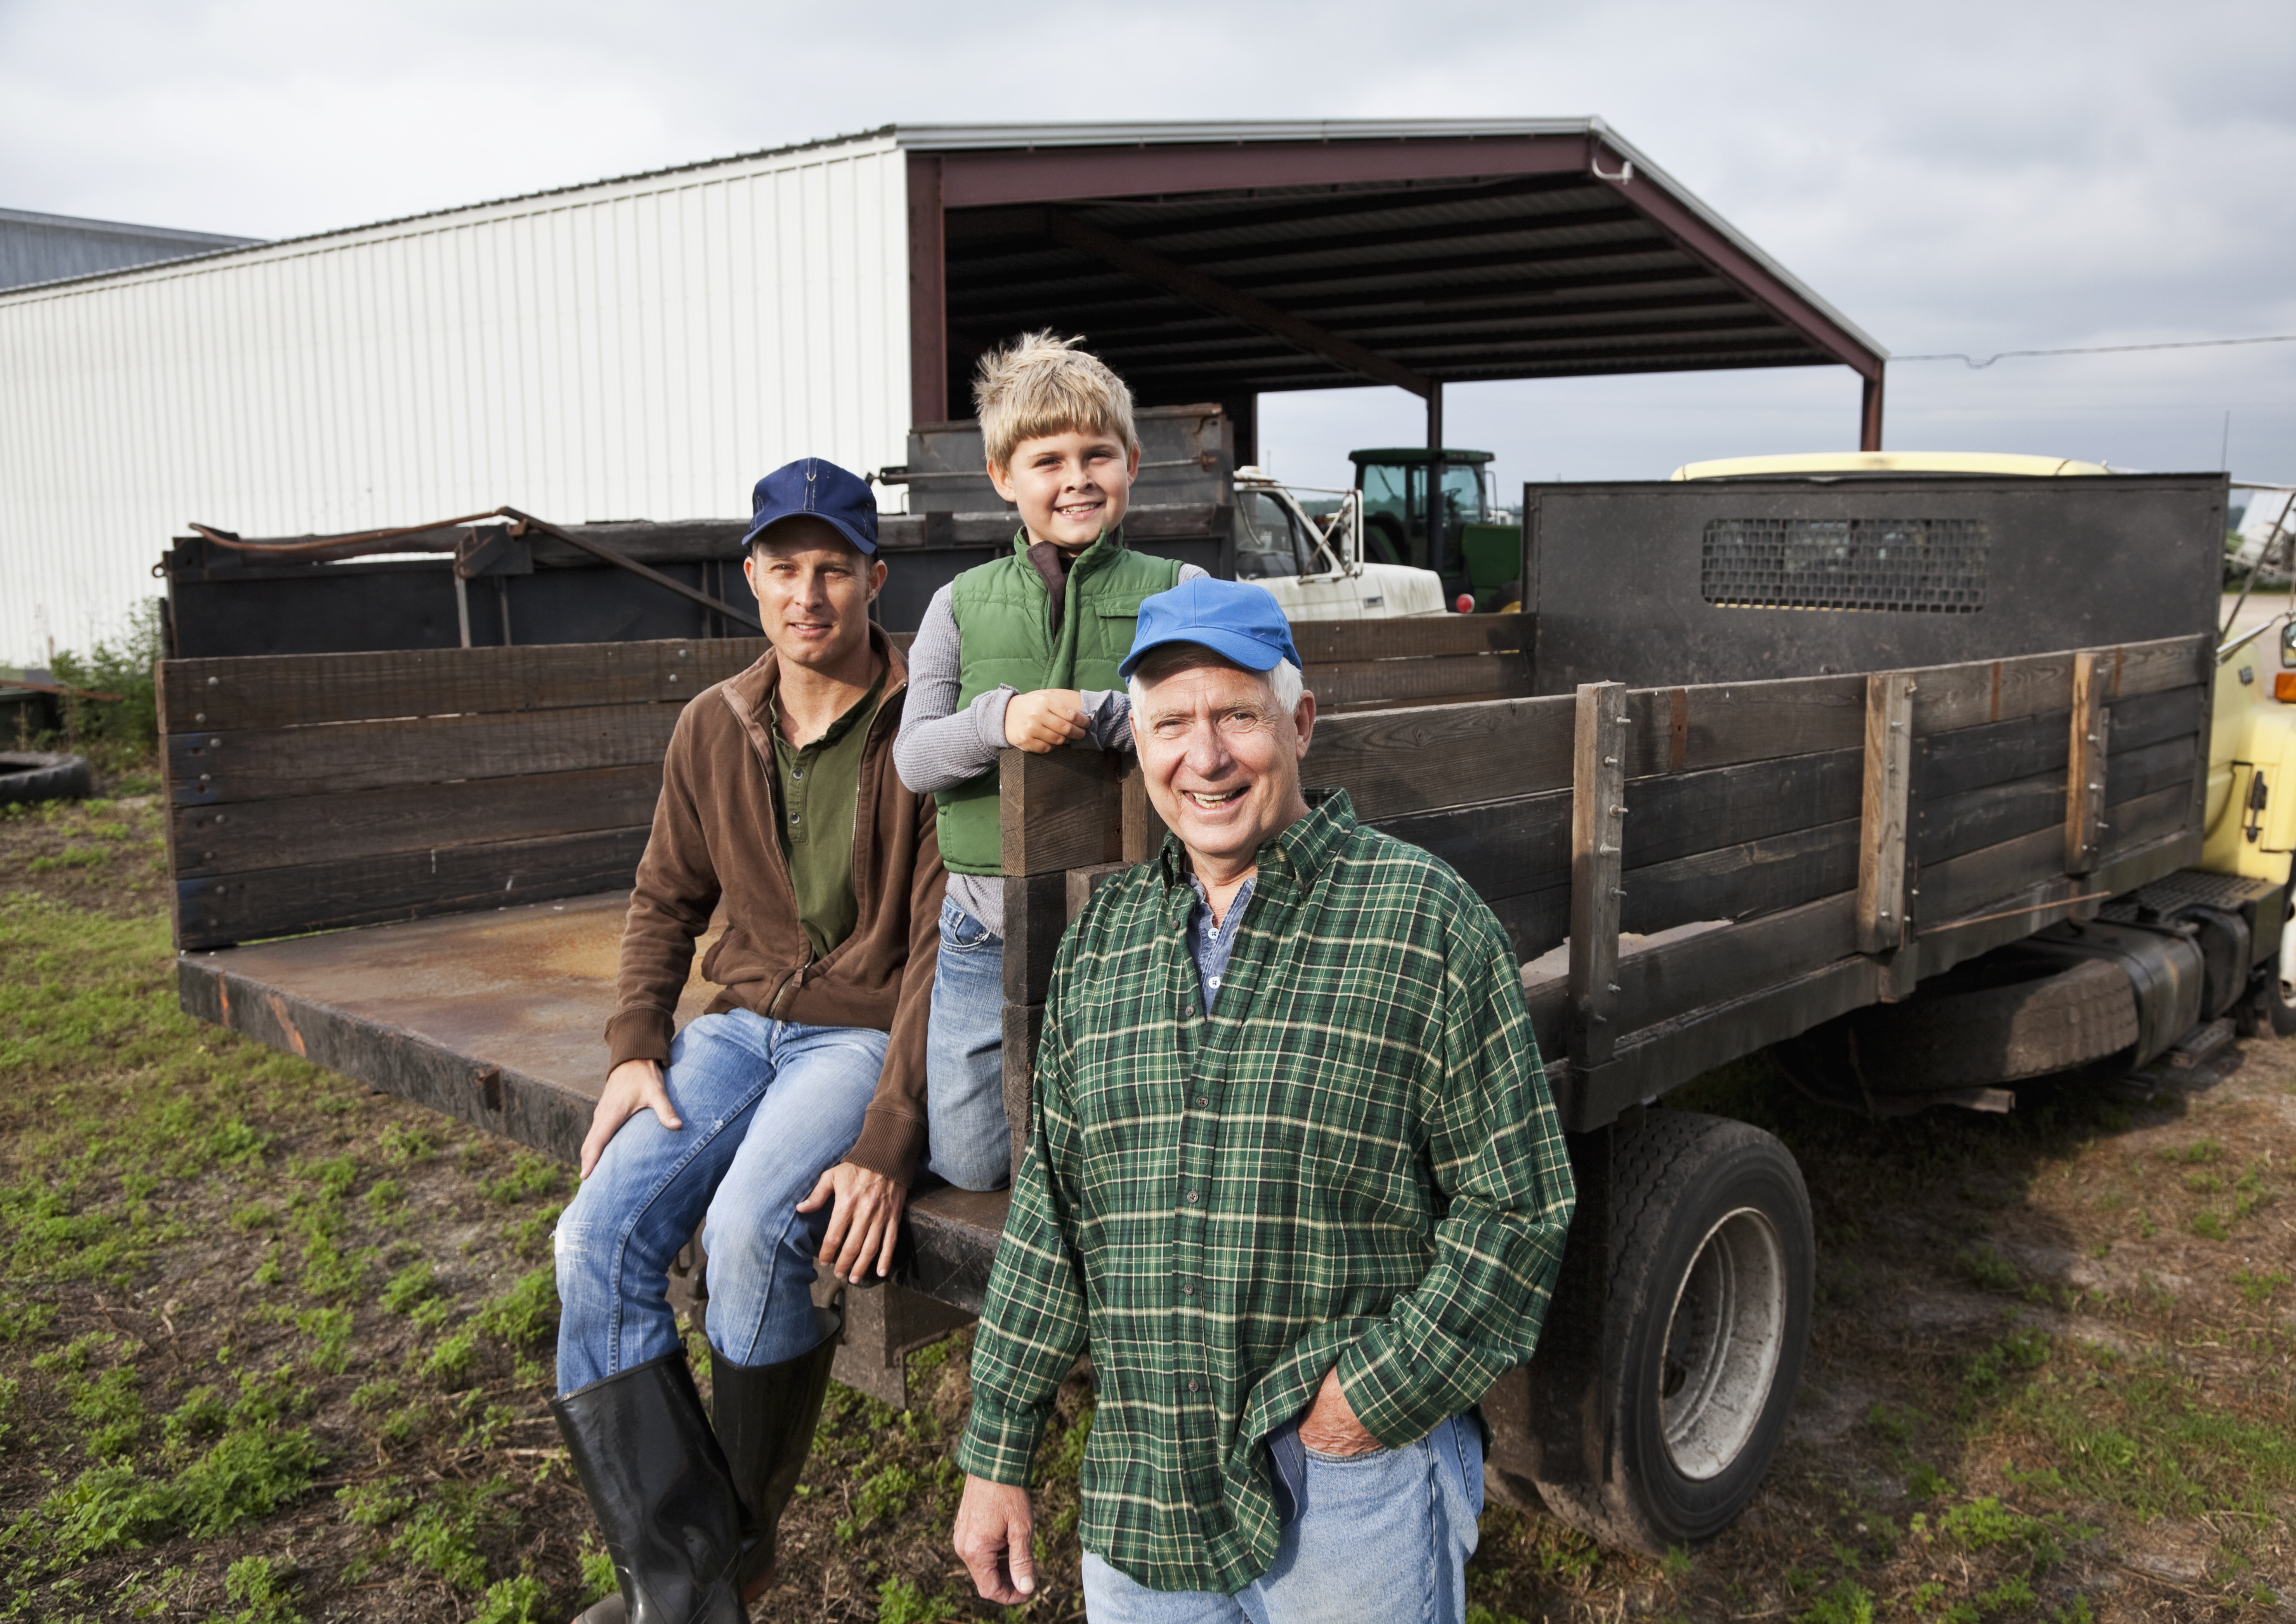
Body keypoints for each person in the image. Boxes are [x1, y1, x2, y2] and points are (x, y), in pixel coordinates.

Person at [949, 578, 1577, 1622]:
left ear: (1300, 723)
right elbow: (1052, 1217)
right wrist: (998, 1448)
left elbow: (1517, 1209)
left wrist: (1364, 1407)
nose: (1206, 757)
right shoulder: (1104, 943)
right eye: (1171, 723)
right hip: (1143, 1482)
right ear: (1140, 743)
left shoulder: (1422, 921)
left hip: (1344, 1488)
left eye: (1238, 714)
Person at [550, 457, 946, 1624]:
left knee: (750, 1236)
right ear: (751, 579)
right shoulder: (712, 723)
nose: (807, 592)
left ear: (875, 579)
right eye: (784, 567)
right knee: (590, 1243)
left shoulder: (926, 727)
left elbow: (938, 949)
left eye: (833, 568)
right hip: (734, 1030)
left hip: (857, 1037)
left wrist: (892, 1129)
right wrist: (635, 1044)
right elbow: (663, 898)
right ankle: (688, 1580)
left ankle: (732, 1555)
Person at [892, 332, 1203, 1193]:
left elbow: (1211, 725)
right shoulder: (956, 605)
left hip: (1136, 911)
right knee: (970, 1160)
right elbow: (915, 759)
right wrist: (1001, 716)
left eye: (1097, 453)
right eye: (1048, 459)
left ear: (1132, 463)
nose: (1076, 477)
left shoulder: (1179, 589)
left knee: (1130, 1139)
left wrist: (1099, 716)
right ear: (1003, 476)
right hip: (982, 921)